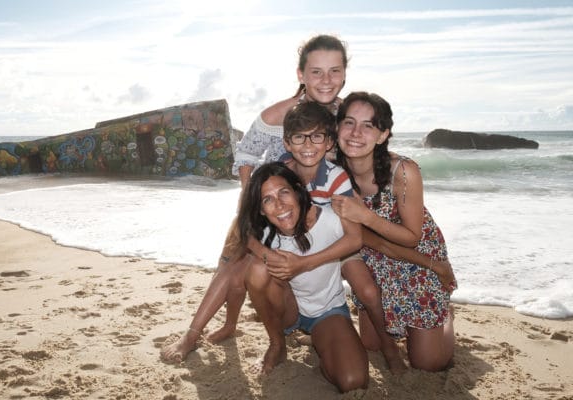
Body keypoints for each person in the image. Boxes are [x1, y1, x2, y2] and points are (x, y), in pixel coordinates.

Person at [160, 34, 350, 363]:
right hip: (267, 205)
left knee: (267, 272)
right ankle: (197, 334)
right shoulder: (278, 114)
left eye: (334, 71)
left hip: (311, 216)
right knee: (231, 268)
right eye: (316, 72)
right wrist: (251, 201)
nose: (326, 80)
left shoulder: (344, 116)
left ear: (344, 73)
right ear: (300, 74)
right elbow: (246, 153)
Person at [332, 91, 456, 371]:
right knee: (371, 344)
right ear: (337, 127)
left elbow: (413, 237)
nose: (355, 133)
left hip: (416, 256)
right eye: (348, 122)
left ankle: (446, 316)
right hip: (372, 256)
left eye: (368, 125)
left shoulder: (403, 171)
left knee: (429, 363)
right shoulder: (333, 171)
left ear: (382, 134)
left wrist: (365, 216)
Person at [237, 162, 369, 393]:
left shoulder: (329, 219)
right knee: (257, 270)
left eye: (284, 192)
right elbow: (243, 233)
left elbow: (359, 239)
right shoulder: (265, 234)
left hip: (327, 309)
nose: (279, 205)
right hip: (289, 309)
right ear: (260, 209)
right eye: (267, 200)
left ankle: (322, 342)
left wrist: (301, 264)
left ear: (298, 191)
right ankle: (277, 343)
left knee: (353, 381)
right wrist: (262, 252)